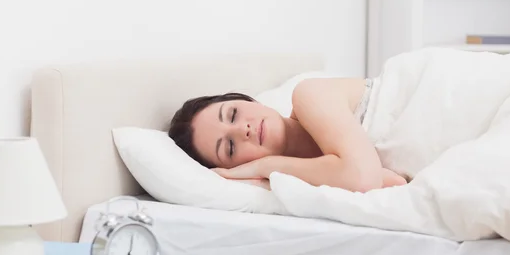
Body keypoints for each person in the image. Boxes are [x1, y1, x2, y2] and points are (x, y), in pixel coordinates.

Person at [168, 77, 407, 192]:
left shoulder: (309, 95)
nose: (243, 129)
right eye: (230, 148)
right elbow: (394, 182)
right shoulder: (309, 176)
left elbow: (364, 178)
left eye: (232, 114)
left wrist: (266, 166)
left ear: (247, 100)